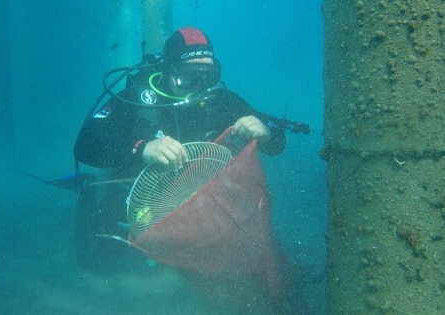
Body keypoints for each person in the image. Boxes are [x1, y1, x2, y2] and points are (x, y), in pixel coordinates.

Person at [72, 26, 288, 272]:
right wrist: (142, 148)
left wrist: (266, 131)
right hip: (134, 198)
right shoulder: (136, 99)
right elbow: (84, 145)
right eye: (190, 76)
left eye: (207, 75)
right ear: (169, 69)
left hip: (197, 203)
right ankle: (87, 194)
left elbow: (277, 140)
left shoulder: (220, 102)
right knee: (101, 263)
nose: (199, 85)